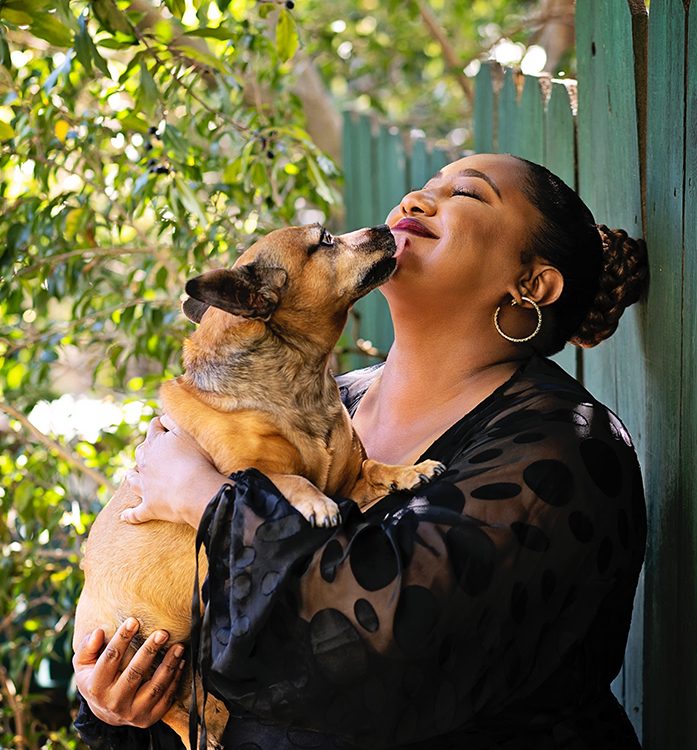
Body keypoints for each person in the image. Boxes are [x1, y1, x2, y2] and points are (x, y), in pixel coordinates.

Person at [71, 153, 650, 750]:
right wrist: (118, 696)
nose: (416, 199)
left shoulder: (563, 447)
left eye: (468, 194)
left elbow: (381, 647)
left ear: (532, 284)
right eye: (425, 185)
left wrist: (206, 500)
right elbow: (181, 618)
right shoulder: (318, 410)